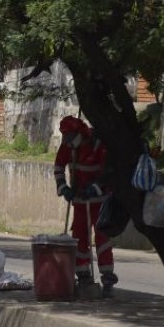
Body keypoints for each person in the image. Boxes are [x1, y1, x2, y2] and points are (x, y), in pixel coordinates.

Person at [54, 115, 118, 297]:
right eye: (64, 136)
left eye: (69, 136)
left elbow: (108, 170)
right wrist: (63, 187)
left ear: (79, 133)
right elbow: (58, 166)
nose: (66, 140)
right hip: (80, 200)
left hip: (99, 201)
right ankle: (83, 276)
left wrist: (97, 186)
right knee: (79, 238)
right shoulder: (68, 145)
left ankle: (107, 277)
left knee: (102, 238)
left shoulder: (98, 144)